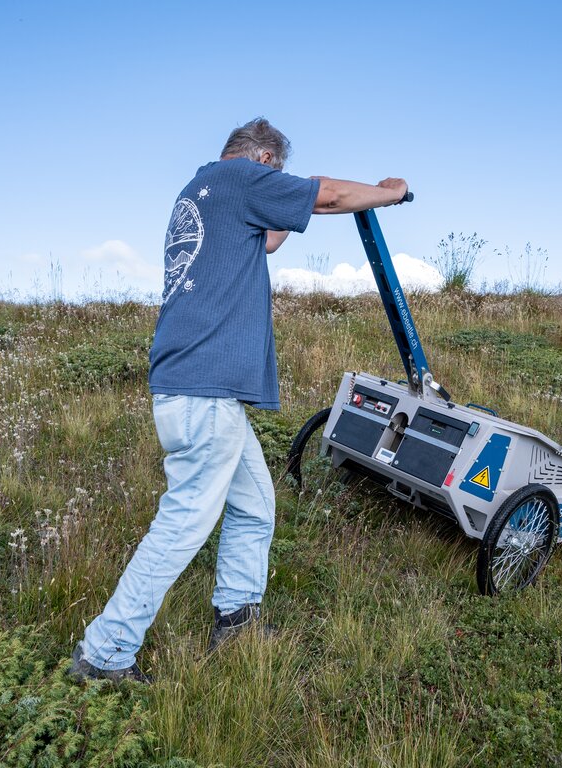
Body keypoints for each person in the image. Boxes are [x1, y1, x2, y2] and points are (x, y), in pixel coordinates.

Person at [69, 117, 408, 683]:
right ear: (265, 161)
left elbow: (271, 238)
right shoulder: (242, 179)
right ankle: (105, 653)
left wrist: (293, 211)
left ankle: (237, 620)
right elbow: (326, 195)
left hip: (192, 391)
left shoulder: (201, 191)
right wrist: (389, 193)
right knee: (181, 524)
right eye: (277, 174)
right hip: (205, 396)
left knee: (254, 505)